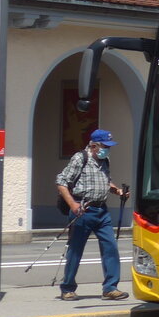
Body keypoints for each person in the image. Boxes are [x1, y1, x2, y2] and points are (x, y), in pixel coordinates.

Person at [55, 128, 129, 301]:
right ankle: (67, 288)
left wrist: (117, 191)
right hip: (83, 209)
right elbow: (61, 181)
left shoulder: (105, 160)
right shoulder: (80, 158)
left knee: (111, 247)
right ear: (94, 145)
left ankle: (110, 288)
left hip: (102, 210)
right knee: (75, 250)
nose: (107, 149)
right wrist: (72, 204)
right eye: (105, 146)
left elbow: (105, 180)